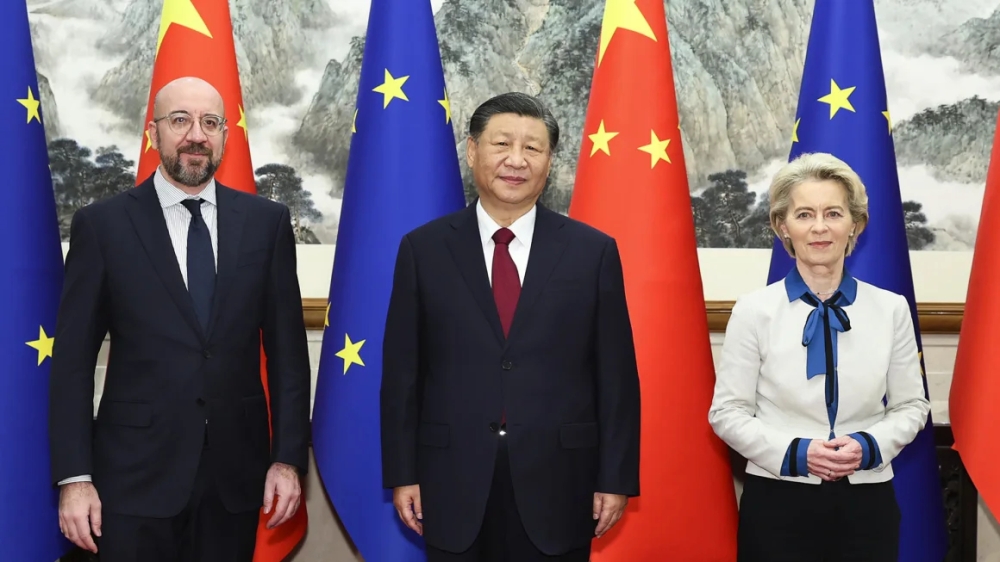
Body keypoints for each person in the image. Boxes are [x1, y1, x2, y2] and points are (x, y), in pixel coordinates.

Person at [48, 76, 311, 561]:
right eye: (180, 120)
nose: (196, 135)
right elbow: (71, 364)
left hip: (235, 478)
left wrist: (289, 460)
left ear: (226, 138)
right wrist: (74, 478)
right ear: (154, 134)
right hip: (131, 480)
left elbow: (290, 358)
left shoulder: (267, 224)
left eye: (211, 122)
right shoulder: (103, 227)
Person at [379, 92, 641, 562]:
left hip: (561, 482)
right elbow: (402, 374)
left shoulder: (592, 252)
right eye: (502, 144)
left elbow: (616, 377)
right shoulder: (424, 250)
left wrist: (615, 478)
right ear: (472, 151)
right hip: (450, 480)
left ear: (550, 161)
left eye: (533, 148)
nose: (516, 160)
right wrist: (403, 472)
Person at [708, 152, 930, 561]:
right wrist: (797, 451)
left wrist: (869, 444)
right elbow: (727, 413)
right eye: (805, 215)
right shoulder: (754, 310)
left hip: (868, 502)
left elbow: (912, 406)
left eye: (833, 213)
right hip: (777, 501)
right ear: (782, 227)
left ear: (855, 225)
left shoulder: (891, 308)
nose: (820, 227)